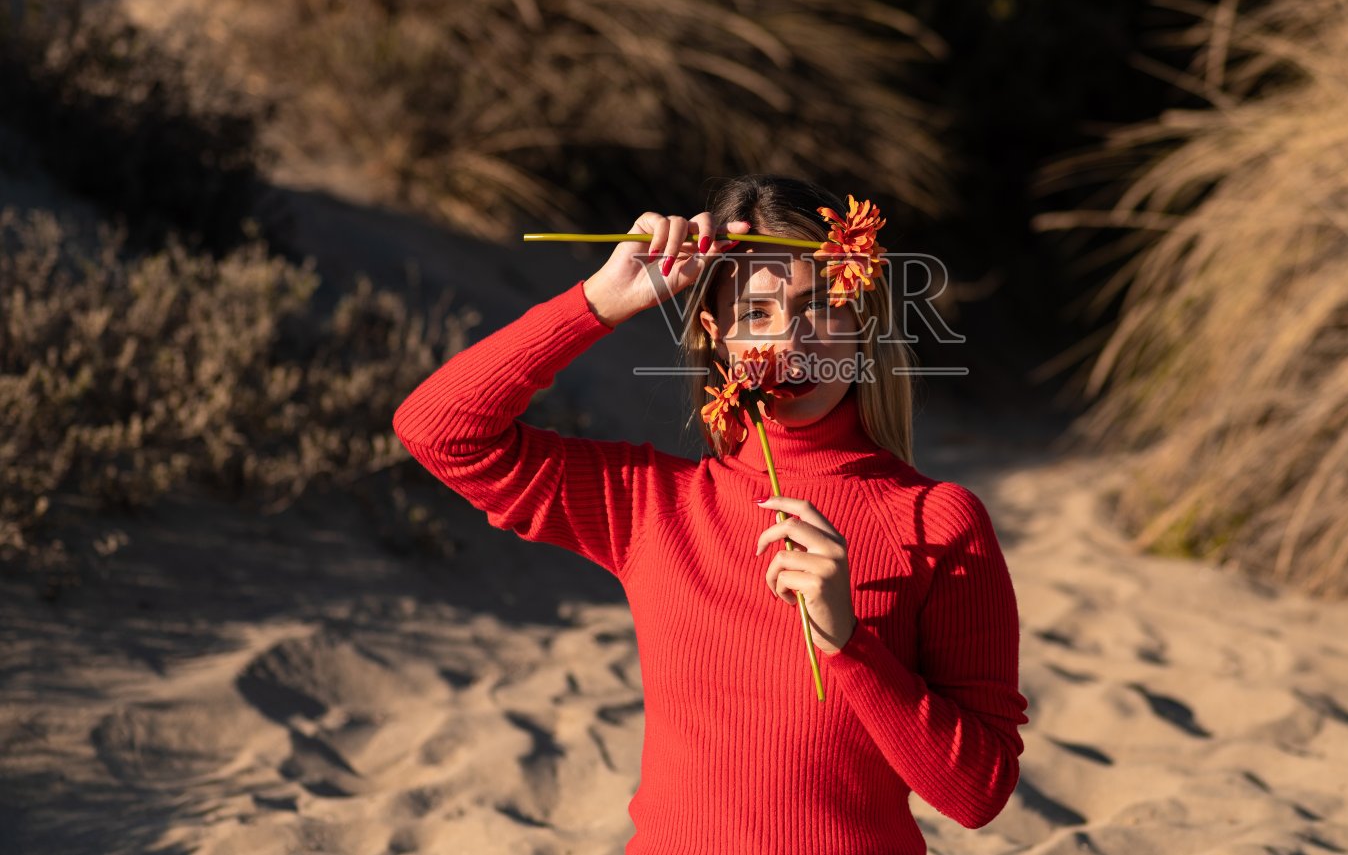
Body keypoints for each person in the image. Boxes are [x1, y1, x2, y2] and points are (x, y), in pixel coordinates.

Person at [392, 173, 1029, 854]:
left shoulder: (937, 521)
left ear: (862, 318)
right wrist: (599, 302)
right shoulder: (650, 504)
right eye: (757, 313)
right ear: (715, 335)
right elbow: (437, 430)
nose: (793, 338)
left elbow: (977, 794)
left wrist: (848, 644)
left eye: (820, 304)